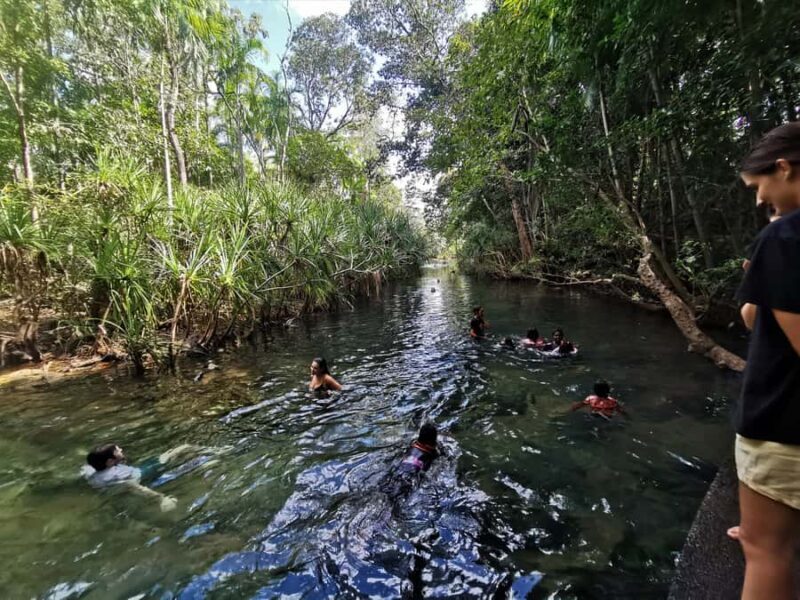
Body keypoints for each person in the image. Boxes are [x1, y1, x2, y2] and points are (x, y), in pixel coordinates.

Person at [728, 122, 800, 600]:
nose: (758, 201)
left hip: (783, 422)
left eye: (759, 188)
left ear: (784, 168)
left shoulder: (786, 239)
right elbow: (756, 318)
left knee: (766, 551)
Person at [84, 443, 177, 512]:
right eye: (117, 450)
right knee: (167, 457)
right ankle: (186, 449)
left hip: (113, 488)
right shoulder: (119, 475)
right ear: (110, 462)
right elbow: (131, 485)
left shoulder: (91, 472)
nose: (121, 449)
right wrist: (161, 499)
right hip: (143, 473)